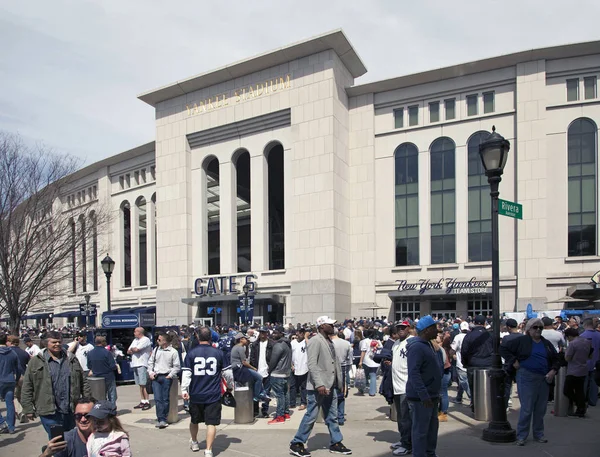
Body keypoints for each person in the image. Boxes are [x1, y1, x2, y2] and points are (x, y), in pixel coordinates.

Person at [289, 316, 351, 457]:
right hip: (319, 387)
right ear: (322, 326)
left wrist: (340, 383)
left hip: (331, 385)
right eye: (330, 324)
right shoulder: (315, 341)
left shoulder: (329, 340)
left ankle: (336, 442)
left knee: (332, 415)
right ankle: (297, 443)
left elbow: (335, 364)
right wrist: (319, 384)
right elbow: (312, 364)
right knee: (311, 415)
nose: (333, 326)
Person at [500, 318, 560, 446]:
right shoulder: (522, 340)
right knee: (527, 408)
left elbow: (556, 358)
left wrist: (553, 370)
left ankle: (539, 434)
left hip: (543, 378)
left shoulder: (546, 343)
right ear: (528, 329)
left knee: (540, 409)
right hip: (526, 376)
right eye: (535, 327)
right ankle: (522, 436)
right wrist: (513, 361)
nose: (538, 330)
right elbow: (503, 349)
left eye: (540, 328)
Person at [22, 331, 90, 438]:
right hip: (49, 410)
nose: (57, 344)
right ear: (46, 343)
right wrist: (28, 408)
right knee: (57, 439)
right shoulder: (36, 361)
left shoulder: (71, 359)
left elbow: (83, 382)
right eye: (54, 342)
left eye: (59, 342)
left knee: (70, 437)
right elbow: (27, 386)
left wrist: (88, 402)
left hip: (70, 409)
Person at [182, 326, 225, 456]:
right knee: (211, 423)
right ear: (210, 337)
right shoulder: (218, 353)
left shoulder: (192, 353)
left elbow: (186, 374)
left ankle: (194, 442)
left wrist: (184, 389)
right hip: (213, 393)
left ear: (197, 336)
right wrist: (229, 386)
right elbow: (227, 373)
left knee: (194, 420)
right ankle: (208, 450)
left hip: (196, 392)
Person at [405, 316, 443, 457]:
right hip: (421, 398)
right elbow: (414, 373)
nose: (437, 330)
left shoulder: (428, 345)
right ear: (427, 330)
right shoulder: (417, 347)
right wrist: (423, 394)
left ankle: (430, 453)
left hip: (431, 396)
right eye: (434, 328)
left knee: (432, 429)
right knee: (421, 431)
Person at [460, 314, 493, 412]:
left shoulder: (469, 335)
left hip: (473, 364)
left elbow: (464, 351)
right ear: (484, 323)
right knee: (488, 388)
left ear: (474, 323)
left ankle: (475, 406)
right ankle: (488, 407)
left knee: (473, 387)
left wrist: (465, 362)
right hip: (488, 364)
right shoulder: (490, 335)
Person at [390, 321, 413, 456]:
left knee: (406, 418)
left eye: (403, 328)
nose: (400, 330)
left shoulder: (412, 342)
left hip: (406, 386)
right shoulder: (396, 343)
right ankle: (403, 439)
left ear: (408, 328)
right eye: (399, 328)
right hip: (396, 386)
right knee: (400, 417)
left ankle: (407, 445)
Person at [148, 332, 181, 428]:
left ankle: (164, 418)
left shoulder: (173, 352)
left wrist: (170, 375)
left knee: (165, 399)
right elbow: (150, 363)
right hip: (156, 377)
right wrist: (151, 373)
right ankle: (160, 418)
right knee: (158, 399)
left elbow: (177, 366)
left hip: (166, 376)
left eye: (159, 340)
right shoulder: (156, 350)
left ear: (165, 342)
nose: (157, 341)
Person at [230, 333, 271, 403]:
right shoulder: (240, 348)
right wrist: (253, 368)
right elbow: (244, 362)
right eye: (245, 339)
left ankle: (262, 394)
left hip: (237, 369)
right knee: (259, 378)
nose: (247, 340)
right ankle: (257, 395)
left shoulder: (235, 347)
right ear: (241, 340)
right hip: (240, 370)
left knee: (256, 378)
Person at [564, 327, 592, 417]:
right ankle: (581, 409)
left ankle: (580, 405)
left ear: (569, 336)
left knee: (567, 390)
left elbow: (567, 358)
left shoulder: (572, 344)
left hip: (573, 370)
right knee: (580, 390)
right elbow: (590, 356)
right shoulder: (587, 342)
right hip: (583, 369)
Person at [267, 326, 292, 425]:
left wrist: (270, 370)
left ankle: (279, 416)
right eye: (273, 332)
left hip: (278, 373)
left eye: (276, 333)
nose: (273, 334)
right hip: (286, 372)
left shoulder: (278, 345)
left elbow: (273, 360)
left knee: (279, 395)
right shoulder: (287, 344)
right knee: (285, 394)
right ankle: (286, 413)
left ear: (281, 334)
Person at [86, 336, 118, 404]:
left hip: (96, 377)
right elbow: (112, 366)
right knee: (111, 394)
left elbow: (89, 366)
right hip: (108, 376)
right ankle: (111, 408)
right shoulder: (107, 353)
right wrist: (116, 366)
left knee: (99, 395)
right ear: (102, 342)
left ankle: (101, 409)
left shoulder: (90, 353)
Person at [127, 327, 152, 411]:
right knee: (140, 384)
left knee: (144, 384)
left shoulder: (145, 340)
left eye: (135, 331)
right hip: (135, 364)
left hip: (142, 363)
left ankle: (147, 401)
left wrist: (133, 349)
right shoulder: (135, 340)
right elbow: (128, 351)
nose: (134, 333)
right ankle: (142, 400)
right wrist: (132, 350)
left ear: (140, 332)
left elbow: (137, 349)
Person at [249, 327, 273, 418]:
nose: (262, 334)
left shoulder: (271, 344)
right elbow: (252, 357)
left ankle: (265, 410)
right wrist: (253, 367)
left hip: (267, 370)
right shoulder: (255, 344)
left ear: (267, 333)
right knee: (256, 392)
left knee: (266, 392)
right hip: (257, 371)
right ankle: (255, 410)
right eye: (261, 332)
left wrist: (270, 367)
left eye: (264, 333)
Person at [0, 333, 21, 434]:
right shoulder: (12, 353)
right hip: (10, 379)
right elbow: (18, 369)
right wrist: (16, 379)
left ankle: (1, 422)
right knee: (10, 403)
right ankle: (11, 426)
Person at [6, 335, 30, 424]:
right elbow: (30, 363)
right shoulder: (24, 352)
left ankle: (20, 412)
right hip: (24, 375)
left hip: (13, 375)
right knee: (22, 395)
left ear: (10, 342)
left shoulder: (9, 352)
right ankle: (26, 410)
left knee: (14, 397)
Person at [332, 330, 352, 426]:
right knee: (341, 394)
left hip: (331, 368)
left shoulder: (329, 343)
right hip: (343, 367)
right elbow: (350, 359)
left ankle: (333, 416)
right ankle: (340, 417)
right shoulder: (346, 343)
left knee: (332, 393)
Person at [500, 318, 522, 408]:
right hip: (521, 364)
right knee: (522, 386)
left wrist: (512, 360)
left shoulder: (506, 338)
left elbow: (502, 351)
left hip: (509, 364)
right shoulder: (523, 337)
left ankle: (505, 405)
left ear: (508, 327)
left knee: (507, 386)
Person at [580, 318, 600, 406]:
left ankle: (583, 400)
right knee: (594, 382)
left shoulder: (582, 336)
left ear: (585, 325)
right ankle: (593, 400)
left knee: (583, 382)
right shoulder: (599, 335)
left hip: (584, 362)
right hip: (596, 362)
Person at [450, 321, 471, 405]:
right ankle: (459, 397)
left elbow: (452, 349)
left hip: (460, 362)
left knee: (464, 382)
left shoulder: (458, 337)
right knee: (463, 381)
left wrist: (451, 355)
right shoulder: (471, 336)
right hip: (470, 362)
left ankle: (472, 399)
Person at [358, 329, 380, 396]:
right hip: (375, 360)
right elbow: (380, 348)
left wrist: (360, 361)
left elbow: (363, 351)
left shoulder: (364, 341)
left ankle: (361, 389)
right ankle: (372, 391)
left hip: (366, 360)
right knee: (373, 375)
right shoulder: (377, 341)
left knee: (364, 375)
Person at [290, 328, 308, 410]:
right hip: (294, 367)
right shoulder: (293, 343)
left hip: (304, 367)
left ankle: (303, 402)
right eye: (297, 334)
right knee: (292, 386)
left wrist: (306, 337)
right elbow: (290, 355)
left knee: (303, 387)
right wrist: (291, 365)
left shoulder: (306, 342)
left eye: (300, 334)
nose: (298, 336)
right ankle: (292, 403)